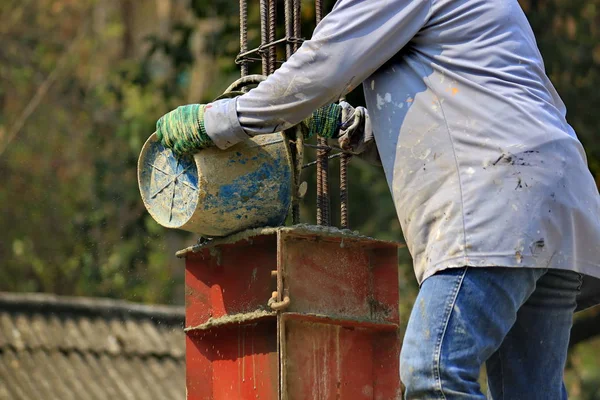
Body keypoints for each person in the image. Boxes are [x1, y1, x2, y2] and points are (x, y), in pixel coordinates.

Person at [155, 0, 600, 398]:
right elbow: (461, 109)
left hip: (500, 202)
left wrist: (219, 120)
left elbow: (320, 68)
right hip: (561, 207)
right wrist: (350, 126)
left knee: (434, 375)